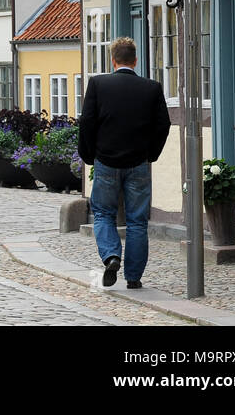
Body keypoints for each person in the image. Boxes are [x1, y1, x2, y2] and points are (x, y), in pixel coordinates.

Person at [78, 36, 171, 289]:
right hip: (138, 162)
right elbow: (163, 125)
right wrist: (151, 153)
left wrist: (88, 155)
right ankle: (134, 277)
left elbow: (86, 122)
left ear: (113, 60)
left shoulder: (98, 84)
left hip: (106, 162)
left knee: (104, 214)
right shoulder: (152, 88)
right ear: (135, 60)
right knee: (137, 221)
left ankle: (111, 256)